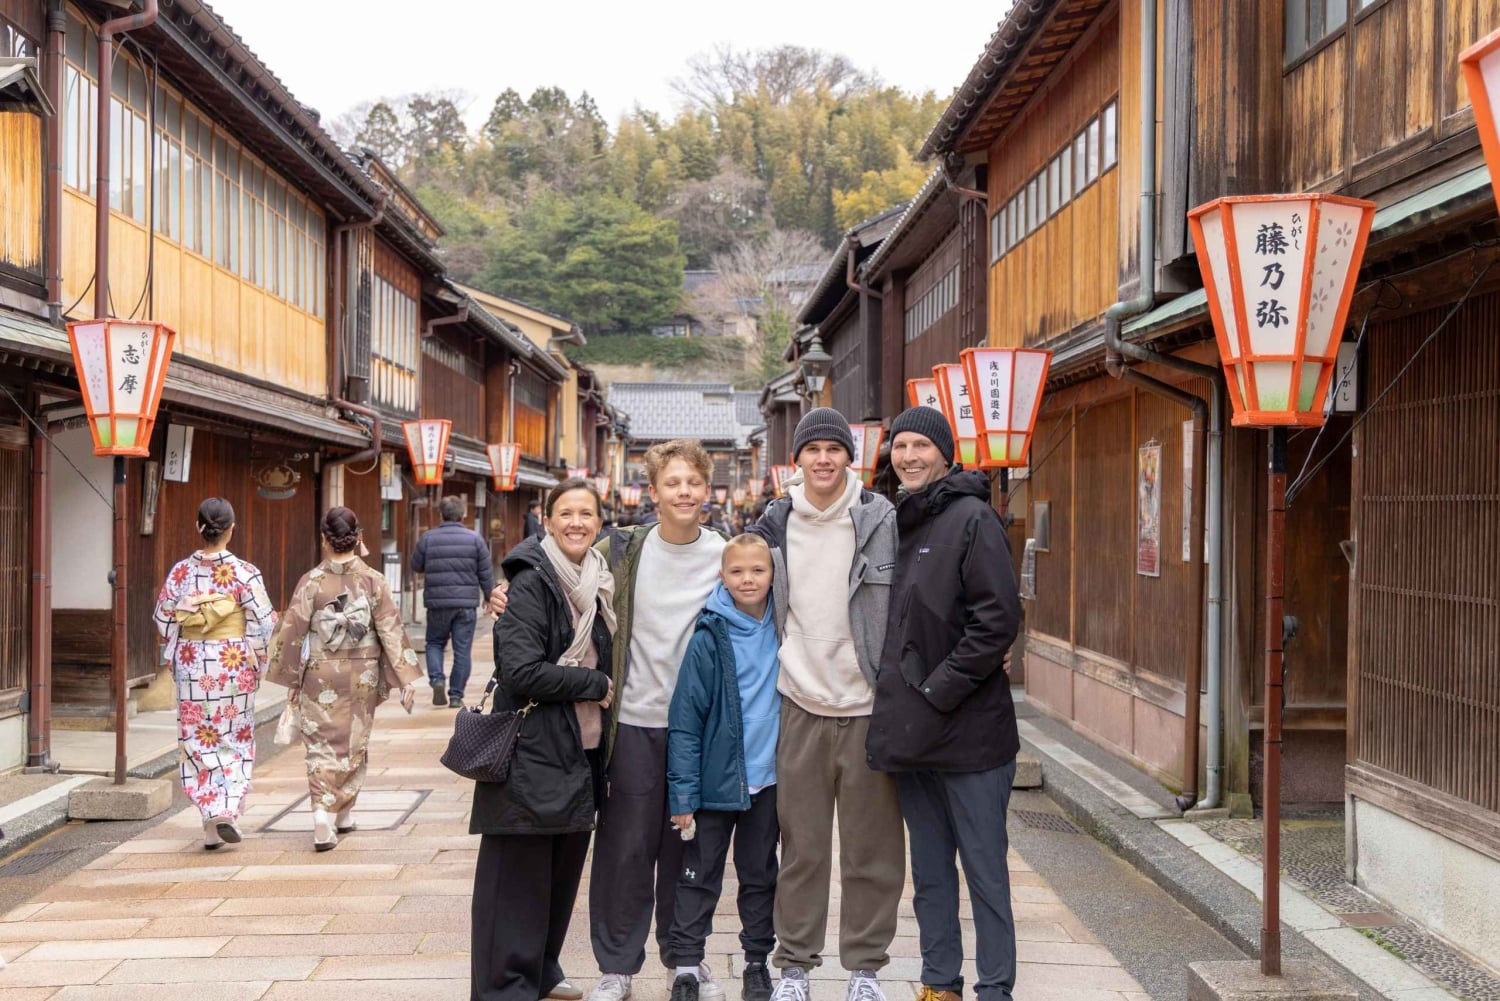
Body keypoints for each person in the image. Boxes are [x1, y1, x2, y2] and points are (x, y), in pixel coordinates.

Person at [866, 407, 1023, 1001]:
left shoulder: (973, 518)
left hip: (973, 734)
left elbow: (997, 619)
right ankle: (939, 983)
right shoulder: (898, 521)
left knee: (985, 871)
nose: (908, 456)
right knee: (930, 873)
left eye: (920, 446)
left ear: (946, 454)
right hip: (914, 734)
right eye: (900, 446)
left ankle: (995, 988)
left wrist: (940, 689)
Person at [751, 408, 903, 1001]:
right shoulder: (775, 521)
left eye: (833, 450)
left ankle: (864, 969)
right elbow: (726, 570)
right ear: (797, 460)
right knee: (802, 847)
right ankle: (795, 968)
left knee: (873, 850)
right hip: (800, 703)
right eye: (811, 450)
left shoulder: (881, 519)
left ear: (850, 457)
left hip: (869, 707)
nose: (822, 459)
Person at [588, 439, 728, 1001]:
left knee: (688, 845)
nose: (685, 492)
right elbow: (560, 572)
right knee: (624, 846)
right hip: (635, 719)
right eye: (673, 483)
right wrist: (505, 593)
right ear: (653, 493)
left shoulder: (725, 552)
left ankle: (685, 959)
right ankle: (617, 965)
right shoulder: (622, 551)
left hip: (696, 727)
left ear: (708, 491)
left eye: (694, 482)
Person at [470, 479, 617, 1001]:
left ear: (601, 523)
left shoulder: (598, 578)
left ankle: (541, 968)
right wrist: (594, 683)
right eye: (566, 513)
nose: (577, 522)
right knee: (518, 875)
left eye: (587, 513)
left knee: (558, 871)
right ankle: (505, 985)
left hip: (581, 748)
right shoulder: (531, 581)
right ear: (547, 520)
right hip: (533, 748)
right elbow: (519, 670)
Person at [665, 534, 782, 1001]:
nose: (748, 579)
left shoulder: (785, 624)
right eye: (737, 572)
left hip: (769, 780)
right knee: (698, 875)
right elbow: (685, 721)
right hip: (715, 782)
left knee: (759, 875)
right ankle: (687, 967)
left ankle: (757, 963)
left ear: (773, 575)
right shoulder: (709, 636)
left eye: (758, 570)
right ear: (722, 575)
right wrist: (683, 795)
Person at [266, 507, 421, 851]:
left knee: (320, 743)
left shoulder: (312, 581)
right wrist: (405, 678)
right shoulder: (373, 580)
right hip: (362, 672)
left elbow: (292, 631)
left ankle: (324, 812)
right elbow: (390, 630)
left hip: (320, 671)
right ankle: (343, 812)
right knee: (354, 740)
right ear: (358, 536)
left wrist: (290, 676)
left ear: (324, 539)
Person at [153, 498, 277, 850]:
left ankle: (210, 822)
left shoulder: (181, 572)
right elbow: (265, 622)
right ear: (231, 530)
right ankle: (225, 809)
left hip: (194, 663)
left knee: (198, 740)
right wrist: (258, 661)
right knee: (234, 736)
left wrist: (179, 653)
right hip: (234, 661)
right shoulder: (245, 573)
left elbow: (163, 620)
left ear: (199, 528)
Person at [412, 495, 496, 709]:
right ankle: (456, 695)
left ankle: (437, 679)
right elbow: (485, 571)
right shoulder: (475, 539)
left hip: (437, 603)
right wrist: (489, 597)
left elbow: (416, 564)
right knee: (462, 650)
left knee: (434, 643)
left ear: (441, 514)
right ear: (463, 514)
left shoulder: (428, 537)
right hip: (465, 604)